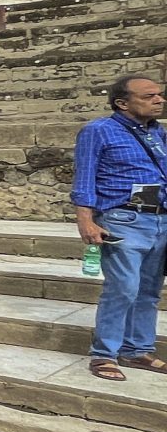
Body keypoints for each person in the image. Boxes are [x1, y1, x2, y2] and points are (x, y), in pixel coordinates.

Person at [73, 74, 167, 383]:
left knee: (149, 290)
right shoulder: (98, 131)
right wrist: (85, 219)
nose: (159, 100)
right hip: (123, 218)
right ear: (122, 103)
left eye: (160, 95)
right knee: (123, 287)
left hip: (160, 219)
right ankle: (104, 354)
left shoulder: (158, 134)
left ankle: (137, 349)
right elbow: (84, 177)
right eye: (149, 96)